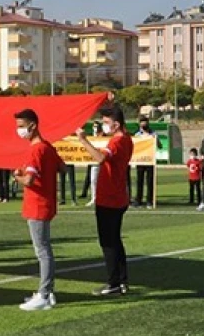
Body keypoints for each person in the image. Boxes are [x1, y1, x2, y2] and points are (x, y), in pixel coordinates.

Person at [76, 103, 133, 297]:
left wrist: (83, 141)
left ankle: (113, 283)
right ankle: (122, 280)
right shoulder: (127, 140)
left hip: (109, 198)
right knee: (115, 240)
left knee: (108, 242)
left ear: (116, 124)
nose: (104, 126)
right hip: (118, 196)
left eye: (107, 122)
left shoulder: (116, 142)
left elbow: (100, 158)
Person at [13, 108, 64, 311]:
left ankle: (44, 293)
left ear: (32, 126)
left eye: (21, 127)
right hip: (46, 202)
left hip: (37, 204)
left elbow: (29, 180)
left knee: (42, 250)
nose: (19, 131)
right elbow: (63, 167)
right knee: (44, 249)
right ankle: (46, 293)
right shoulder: (48, 147)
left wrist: (16, 176)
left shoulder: (36, 150)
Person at [133, 117, 158, 208]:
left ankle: (149, 201)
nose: (144, 125)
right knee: (139, 181)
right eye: (142, 123)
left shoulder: (153, 133)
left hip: (150, 160)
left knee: (150, 181)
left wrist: (154, 139)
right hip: (140, 160)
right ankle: (138, 200)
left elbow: (158, 145)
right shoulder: (137, 134)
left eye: (145, 123)